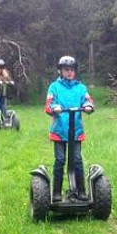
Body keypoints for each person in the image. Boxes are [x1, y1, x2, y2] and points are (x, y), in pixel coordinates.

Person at [44, 55, 95, 202]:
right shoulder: (54, 87)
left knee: (77, 160)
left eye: (72, 70)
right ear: (60, 71)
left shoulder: (81, 88)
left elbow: (88, 100)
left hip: (76, 130)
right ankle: (56, 192)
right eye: (66, 70)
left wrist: (88, 106)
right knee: (60, 160)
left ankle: (81, 191)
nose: (69, 73)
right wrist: (55, 107)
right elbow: (49, 104)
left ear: (75, 71)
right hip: (59, 130)